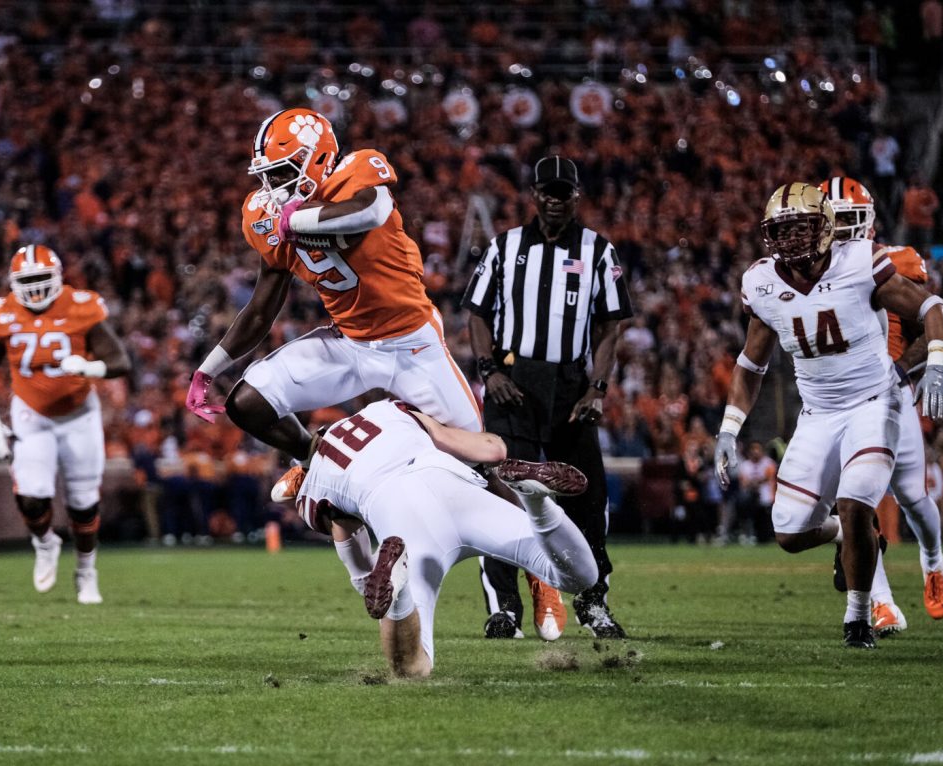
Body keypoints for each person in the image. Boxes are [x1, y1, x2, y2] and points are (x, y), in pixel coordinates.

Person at [186, 108, 551, 611]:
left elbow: (369, 211)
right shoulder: (265, 214)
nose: (272, 187)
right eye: (266, 175)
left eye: (282, 172)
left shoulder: (358, 169)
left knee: (482, 466)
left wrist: (299, 219)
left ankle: (543, 572)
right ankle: (314, 460)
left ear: (317, 161)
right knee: (247, 403)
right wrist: (209, 367)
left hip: (412, 346)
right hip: (351, 344)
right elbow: (265, 301)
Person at [714, 182, 943, 648]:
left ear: (825, 228)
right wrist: (728, 428)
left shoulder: (862, 261)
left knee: (858, 497)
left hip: (874, 402)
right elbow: (750, 365)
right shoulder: (761, 282)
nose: (791, 241)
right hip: (818, 413)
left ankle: (859, 615)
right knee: (789, 532)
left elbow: (931, 307)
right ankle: (849, 535)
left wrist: (938, 362)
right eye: (780, 232)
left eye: (800, 229)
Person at [291, 399, 599, 677]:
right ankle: (537, 503)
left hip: (406, 522)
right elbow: (493, 451)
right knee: (579, 577)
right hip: (455, 486)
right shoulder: (387, 411)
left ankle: (400, 593)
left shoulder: (313, 487)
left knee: (412, 667)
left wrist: (370, 585)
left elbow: (357, 563)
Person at [461, 156, 634, 639]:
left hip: (570, 386)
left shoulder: (599, 250)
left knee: (588, 495)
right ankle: (505, 607)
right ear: (534, 195)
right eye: (547, 191)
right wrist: (489, 369)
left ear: (576, 196)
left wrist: (597, 388)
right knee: (500, 494)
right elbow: (476, 314)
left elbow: (610, 327)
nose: (555, 200)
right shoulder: (505, 246)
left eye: (564, 192)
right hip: (512, 383)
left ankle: (593, 602)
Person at [820, 177, 943, 630]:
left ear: (869, 223)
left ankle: (932, 561)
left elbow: (928, 321)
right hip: (839, 403)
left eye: (851, 223)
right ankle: (879, 602)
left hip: (891, 397)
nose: (844, 235)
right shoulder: (804, 274)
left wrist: (908, 368)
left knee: (913, 497)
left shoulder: (896, 263)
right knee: (853, 503)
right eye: (835, 224)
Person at [0, 245, 131, 604]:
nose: (36, 288)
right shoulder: (1, 314)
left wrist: (90, 367)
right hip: (31, 413)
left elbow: (119, 360)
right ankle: (45, 543)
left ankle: (86, 571)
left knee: (83, 504)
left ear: (58, 278)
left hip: (79, 414)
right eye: (28, 281)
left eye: (42, 279)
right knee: (31, 498)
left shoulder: (81, 306)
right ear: (13, 283)